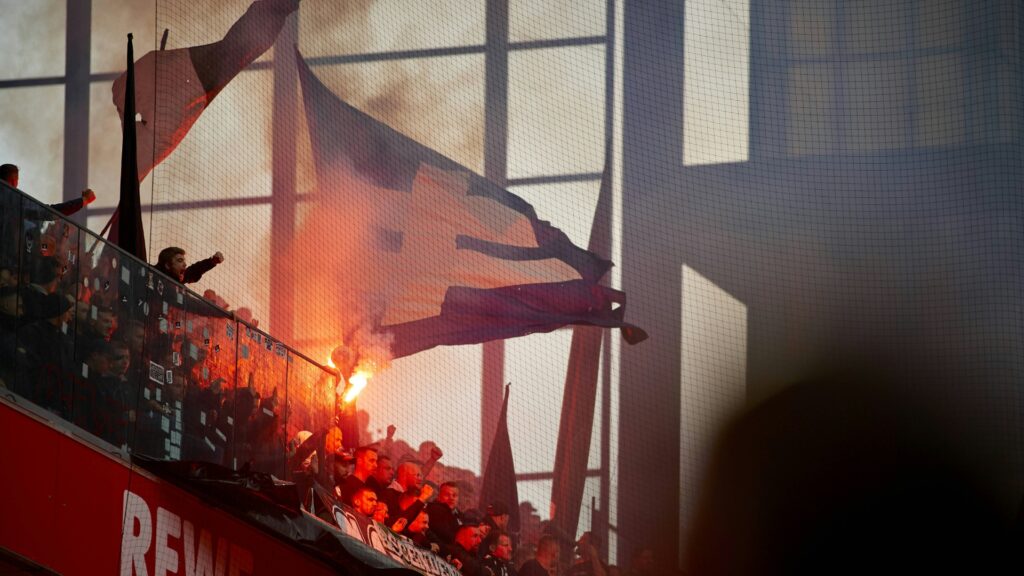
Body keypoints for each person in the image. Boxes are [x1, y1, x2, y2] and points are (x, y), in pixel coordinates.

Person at [1, 163, 97, 216]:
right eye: (17, 180)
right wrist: (83, 201)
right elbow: (48, 212)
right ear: (13, 181)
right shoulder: (15, 200)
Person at [155, 246, 224, 284]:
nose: (185, 264)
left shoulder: (178, 279)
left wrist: (211, 261)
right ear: (168, 265)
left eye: (184, 261)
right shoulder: (150, 273)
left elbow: (195, 270)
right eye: (180, 260)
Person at [426, 481, 463, 545]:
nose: (451, 498)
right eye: (447, 495)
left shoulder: (461, 516)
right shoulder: (434, 509)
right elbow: (444, 534)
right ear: (439, 497)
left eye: (454, 495)